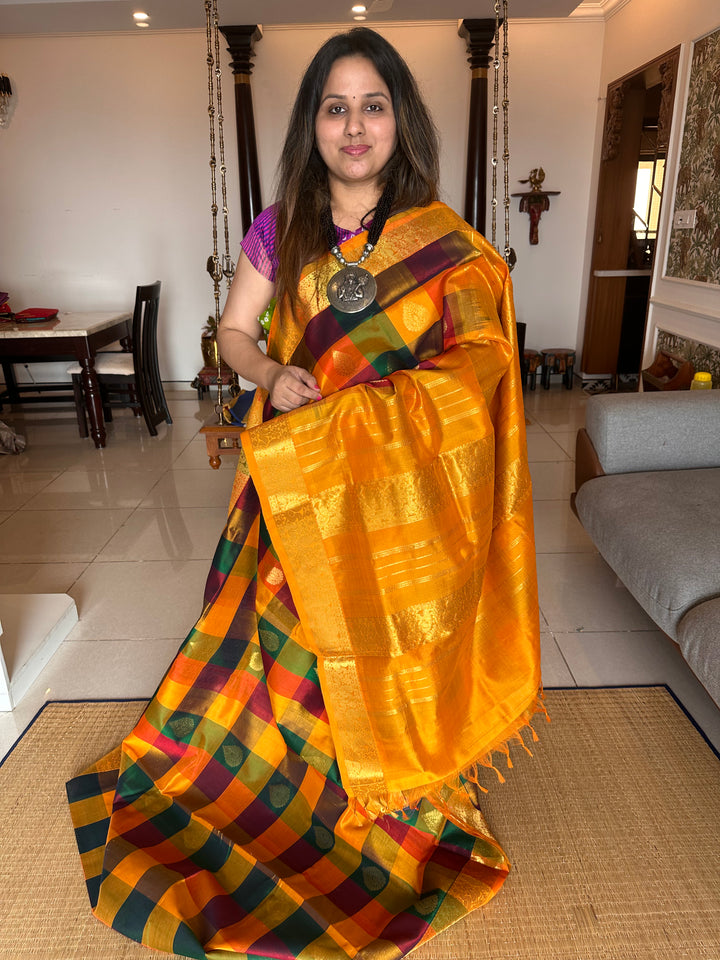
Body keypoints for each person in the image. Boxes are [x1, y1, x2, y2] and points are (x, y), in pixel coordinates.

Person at [67, 27, 542, 960]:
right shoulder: (277, 228)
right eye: (336, 106)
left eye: (373, 104)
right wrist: (273, 373)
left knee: (377, 636)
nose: (355, 125)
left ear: (399, 119)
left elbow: (481, 366)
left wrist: (396, 413)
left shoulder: (444, 244)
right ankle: (291, 788)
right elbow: (233, 338)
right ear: (312, 123)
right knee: (284, 642)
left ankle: (387, 792)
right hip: (297, 488)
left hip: (393, 498)